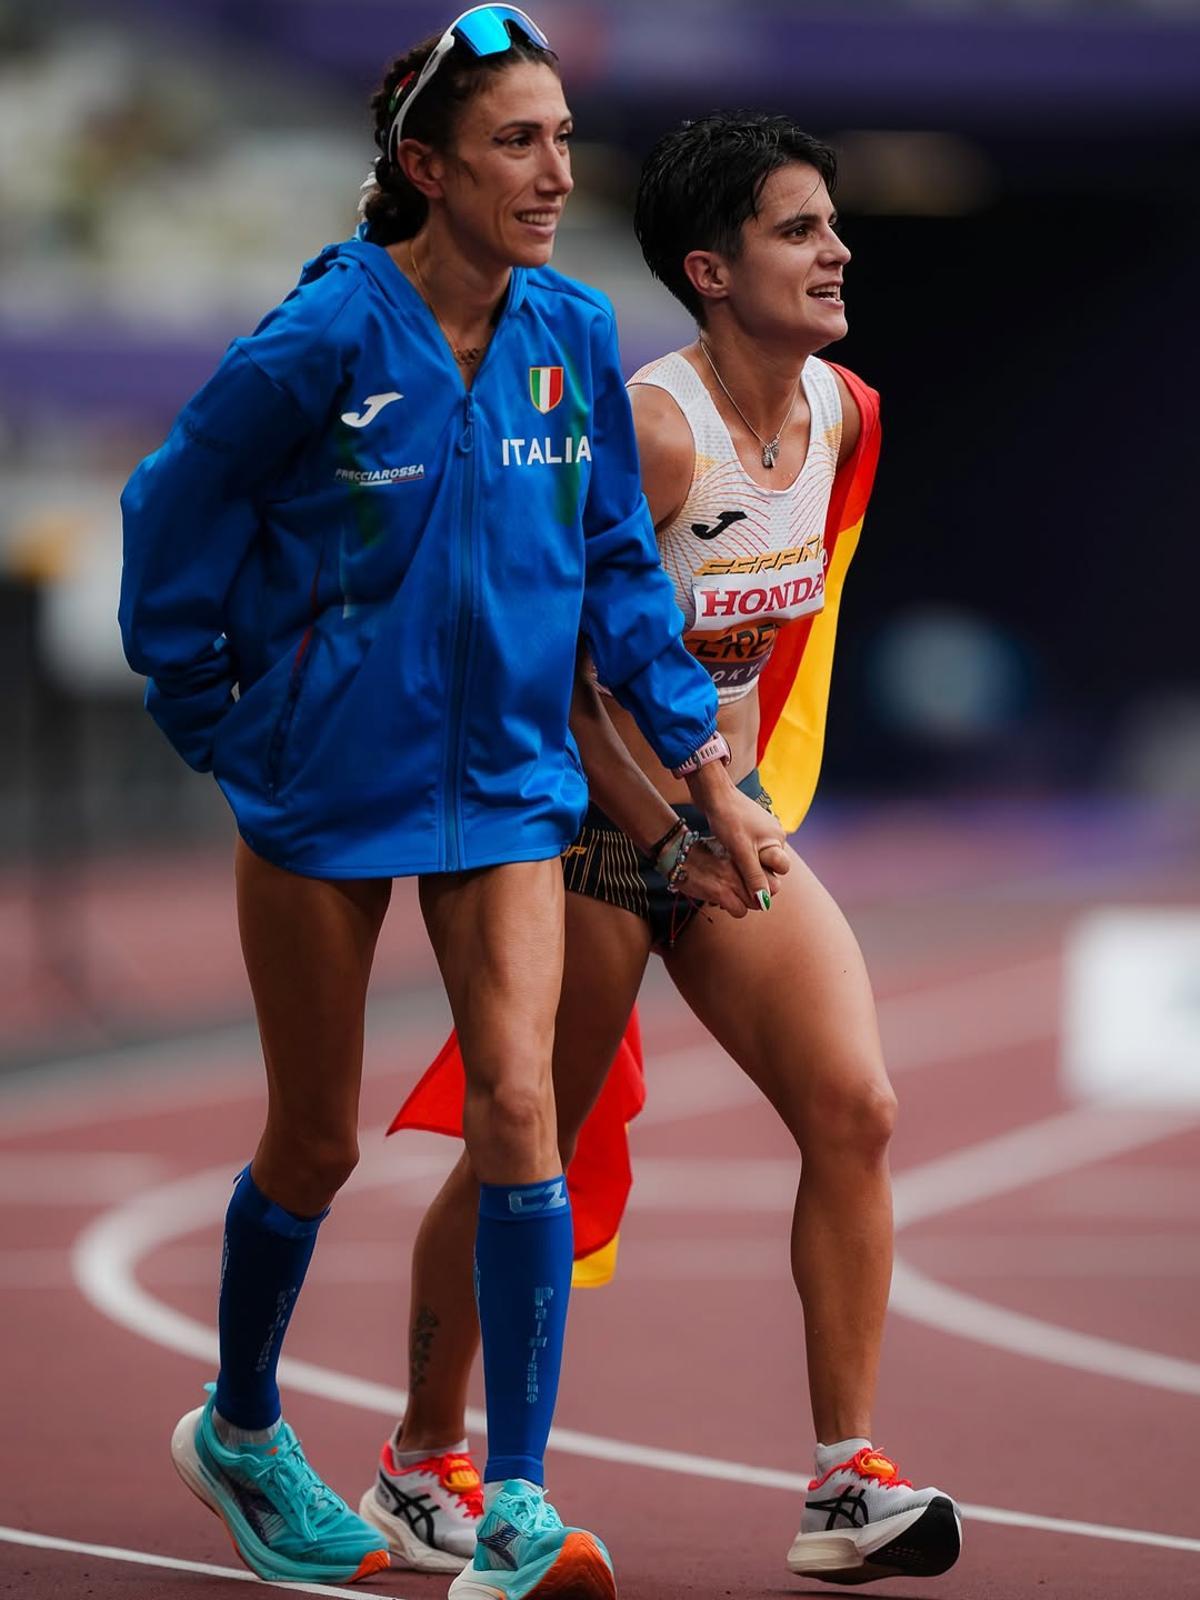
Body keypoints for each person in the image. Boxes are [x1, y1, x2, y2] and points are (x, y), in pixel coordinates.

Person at [118, 13, 786, 1595]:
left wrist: (704, 770)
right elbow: (170, 512)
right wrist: (217, 717)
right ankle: (244, 1427)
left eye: (563, 138)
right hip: (322, 790)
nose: (556, 171)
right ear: (424, 167)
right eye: (516, 143)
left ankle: (517, 1500)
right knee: (315, 1143)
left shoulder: (569, 331)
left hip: (508, 788)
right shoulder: (320, 340)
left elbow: (621, 574)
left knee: (518, 1114)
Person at [364, 112, 964, 1587]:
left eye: (833, 225)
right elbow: (560, 666)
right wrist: (666, 828)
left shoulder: (846, 415)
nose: (836, 252)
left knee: (858, 1106)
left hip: (720, 821)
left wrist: (743, 809)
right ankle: (421, 1463)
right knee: (530, 1148)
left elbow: (782, 644)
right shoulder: (644, 428)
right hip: (575, 823)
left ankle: (843, 1481)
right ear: (711, 267)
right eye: (797, 229)